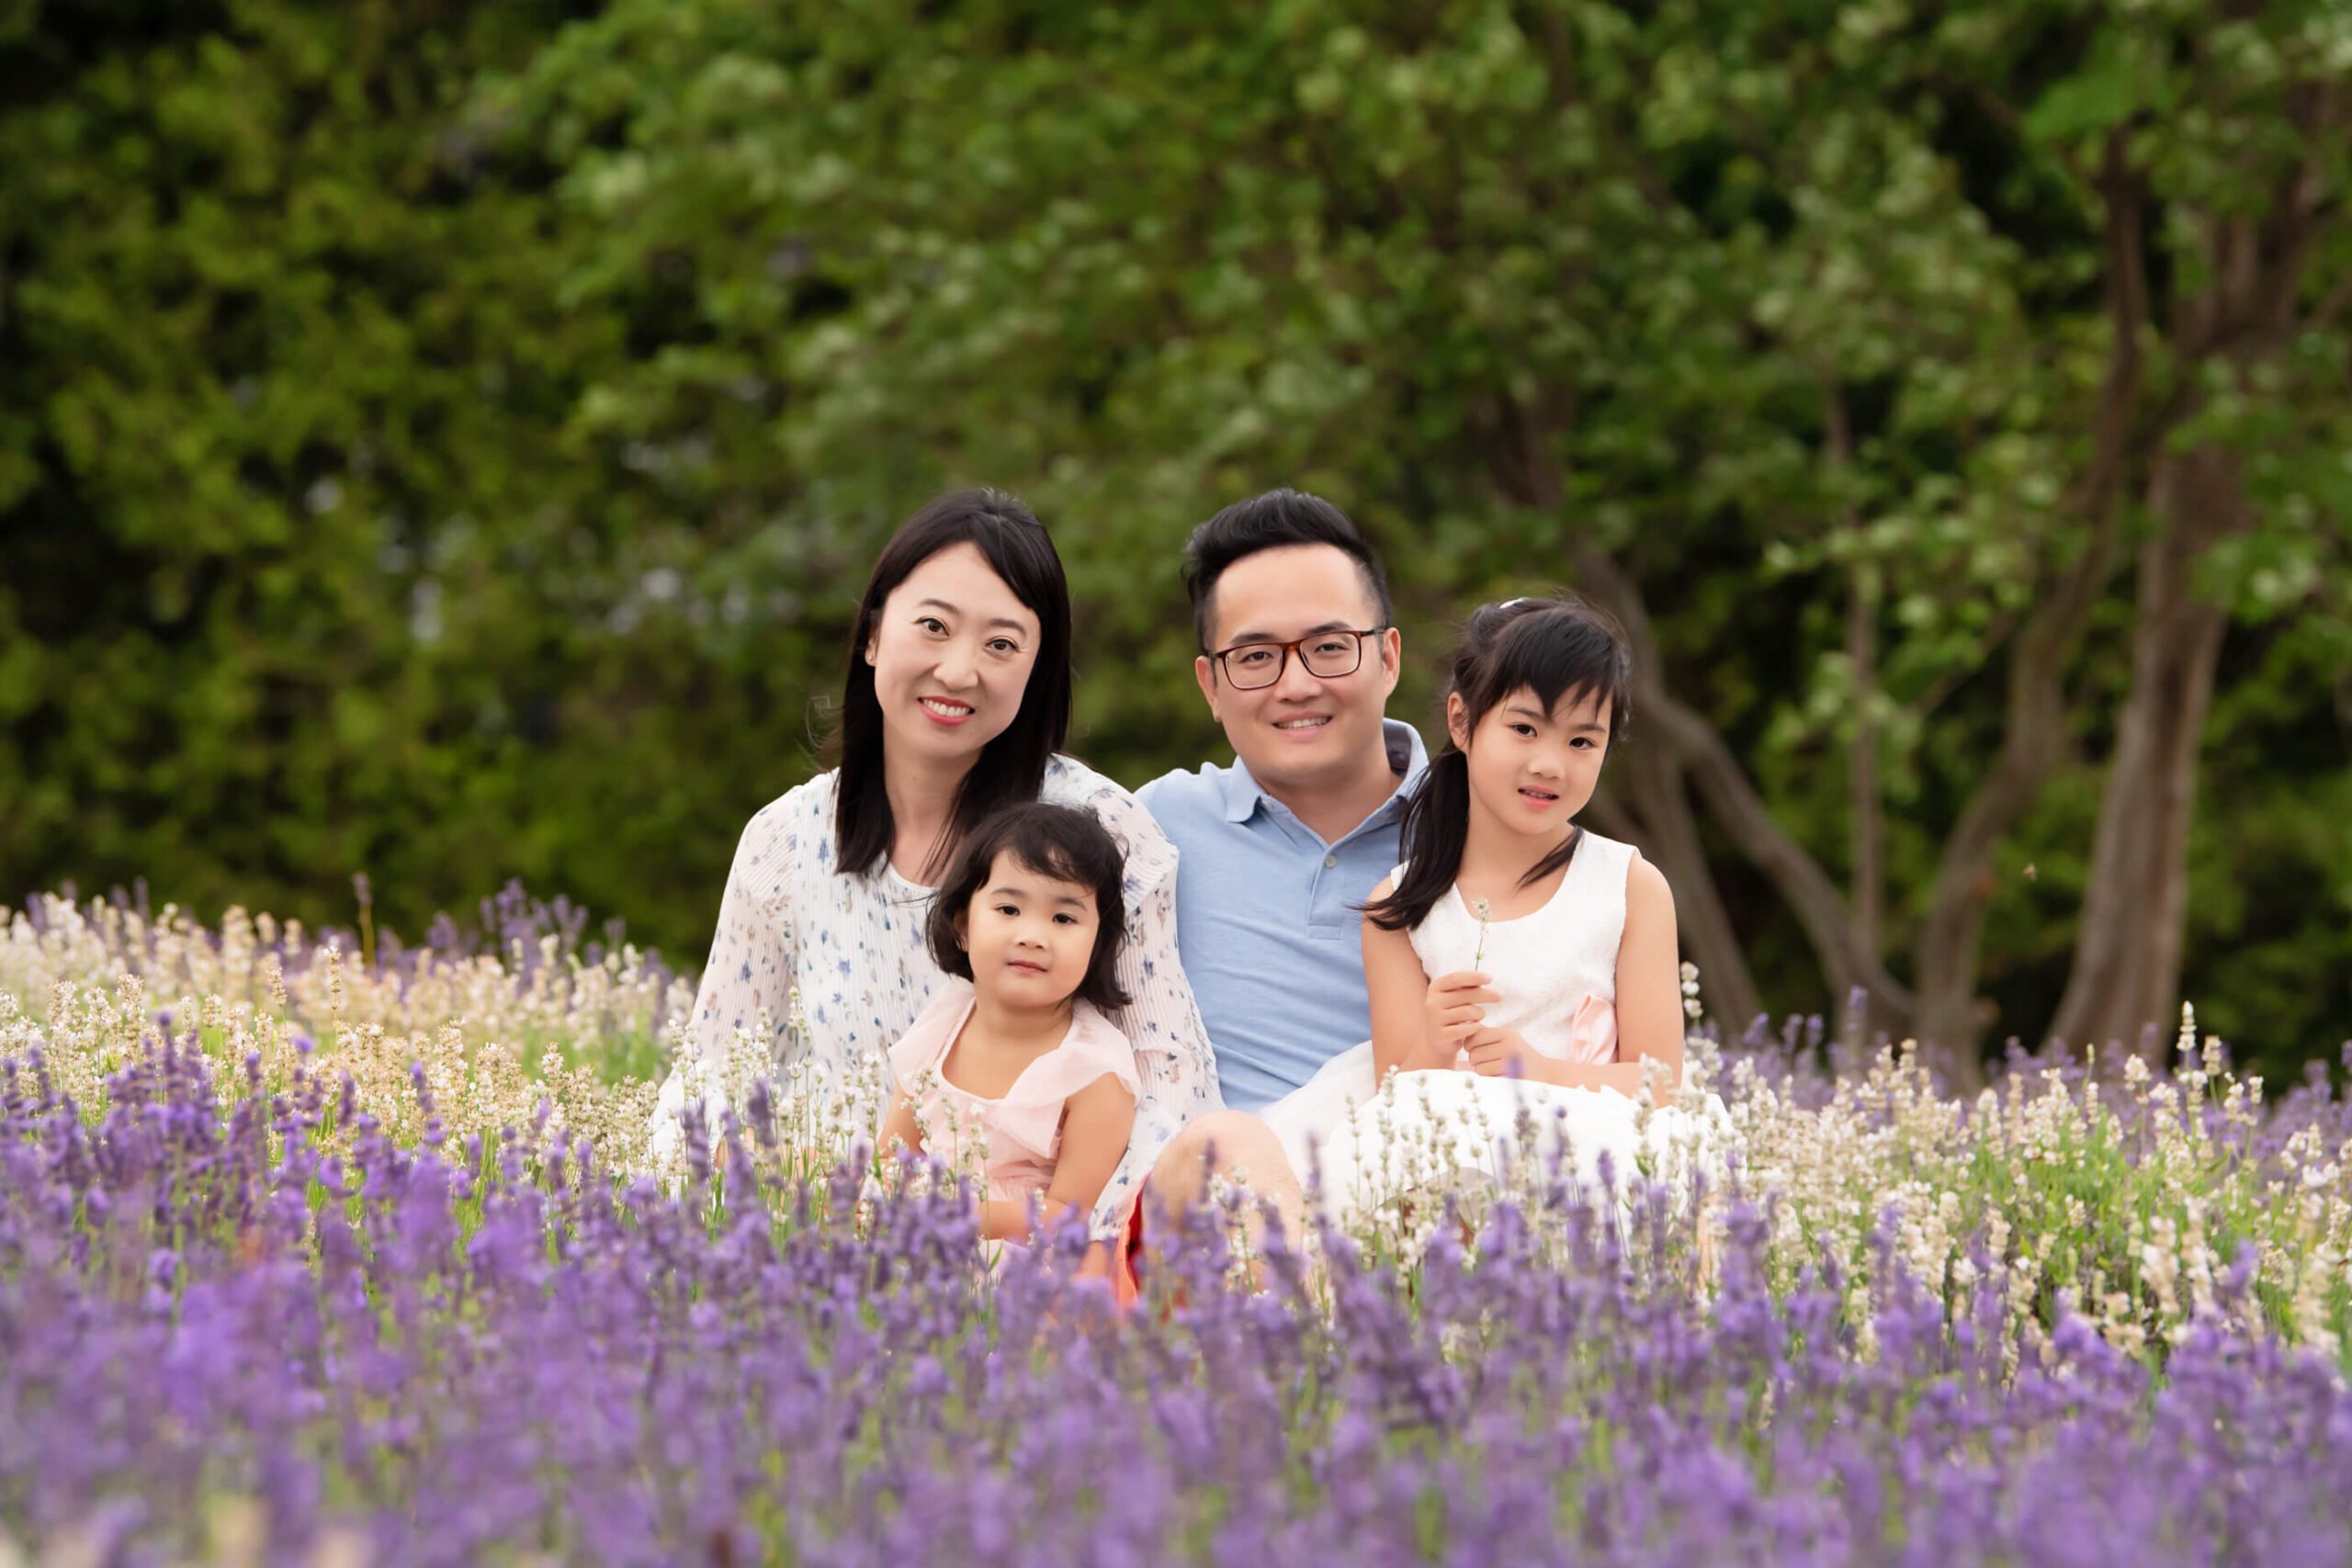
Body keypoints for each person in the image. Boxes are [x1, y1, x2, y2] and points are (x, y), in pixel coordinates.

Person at [649, 490, 1217, 1243]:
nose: (959, 670)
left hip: (1038, 1252)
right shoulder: (784, 843)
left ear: (1035, 669)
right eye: (933, 626)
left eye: (1002, 644)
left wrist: (1081, 1260)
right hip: (830, 1246)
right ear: (874, 635)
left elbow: (1172, 1086)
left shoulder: (1101, 830)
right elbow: (709, 1081)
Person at [1259, 595, 1719, 1226]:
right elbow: (1396, 1093)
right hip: (1446, 1167)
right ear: (1462, 721)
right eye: (1524, 728)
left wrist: (1542, 1070)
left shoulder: (1629, 886)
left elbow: (1661, 1084)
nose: (1549, 763)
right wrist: (1434, 1039)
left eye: (1582, 739)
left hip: (1586, 1149)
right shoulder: (1400, 907)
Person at [1135, 490, 1428, 1249]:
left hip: (1429, 1201)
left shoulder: (1485, 829)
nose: (1297, 685)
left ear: (1388, 656)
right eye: (1256, 657)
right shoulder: (1149, 831)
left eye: (1330, 646)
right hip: (1219, 1226)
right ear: (1210, 685)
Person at [881, 804, 1139, 1266]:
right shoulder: (944, 1025)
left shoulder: (1093, 1069)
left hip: (1022, 1266)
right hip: (916, 1240)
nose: (1033, 935)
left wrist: (965, 1217)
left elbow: (1070, 1216)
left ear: (1098, 943)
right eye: (1008, 909)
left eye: (1064, 919)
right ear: (962, 926)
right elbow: (890, 1158)